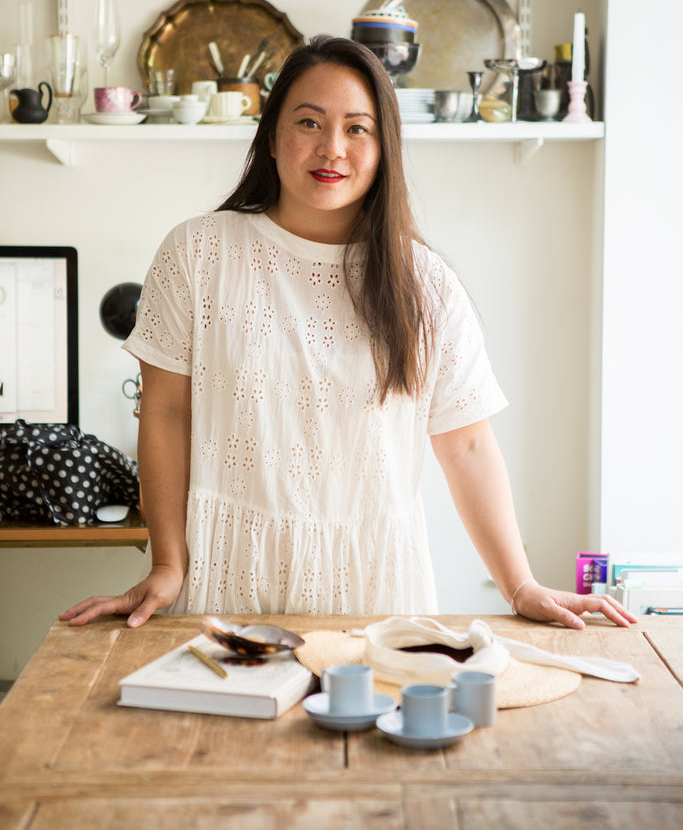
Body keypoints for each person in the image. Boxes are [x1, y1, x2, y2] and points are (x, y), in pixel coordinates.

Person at [61, 35, 636, 632]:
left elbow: (465, 446)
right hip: (225, 580)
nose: (331, 148)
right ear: (271, 134)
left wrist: (520, 585)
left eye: (357, 128)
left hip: (379, 589)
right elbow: (165, 414)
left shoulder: (425, 283)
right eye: (308, 122)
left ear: (385, 145)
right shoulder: (199, 253)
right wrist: (168, 563)